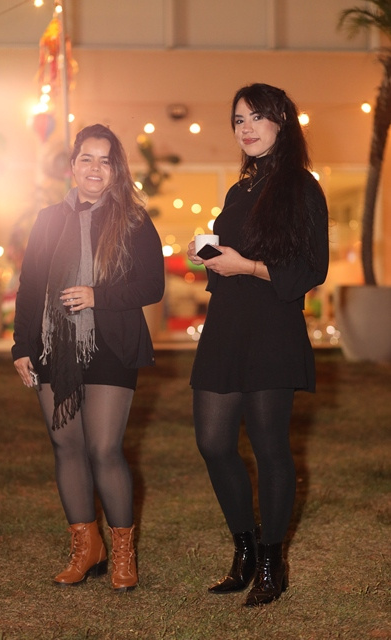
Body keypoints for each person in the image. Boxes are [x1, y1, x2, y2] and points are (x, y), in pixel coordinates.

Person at [187, 83, 329, 607]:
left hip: (272, 328)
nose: (246, 129)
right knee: (213, 442)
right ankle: (244, 549)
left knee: (270, 448)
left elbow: (312, 268)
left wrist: (245, 265)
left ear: (281, 122)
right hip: (226, 325)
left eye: (256, 118)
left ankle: (272, 560)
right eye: (238, 120)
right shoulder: (239, 189)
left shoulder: (302, 187)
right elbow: (230, 258)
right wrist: (207, 256)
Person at [12, 124, 164, 591]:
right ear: (73, 165)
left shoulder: (133, 220)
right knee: (66, 446)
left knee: (103, 448)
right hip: (53, 345)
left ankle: (122, 551)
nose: (95, 168)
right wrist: (22, 346)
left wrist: (98, 295)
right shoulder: (48, 220)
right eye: (87, 159)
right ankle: (86, 546)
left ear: (116, 169)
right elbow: (31, 287)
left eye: (105, 160)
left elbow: (152, 286)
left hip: (111, 345)